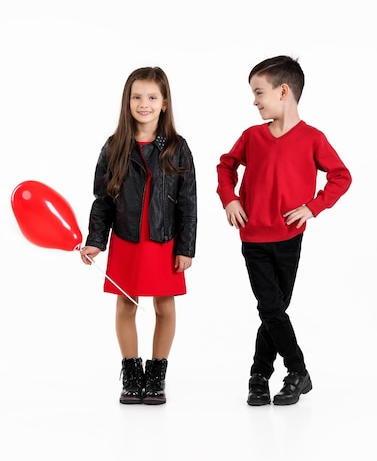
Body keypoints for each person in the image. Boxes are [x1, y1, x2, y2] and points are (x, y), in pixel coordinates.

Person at [216, 55, 351, 406]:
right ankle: (297, 370)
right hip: (254, 239)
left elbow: (341, 176)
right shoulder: (251, 137)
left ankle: (259, 376)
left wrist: (313, 206)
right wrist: (230, 199)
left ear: (284, 91)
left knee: (271, 311)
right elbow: (225, 166)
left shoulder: (312, 139)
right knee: (272, 309)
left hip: (290, 238)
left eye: (259, 92)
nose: (255, 101)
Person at [80, 67, 197, 405]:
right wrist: (95, 241)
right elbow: (102, 201)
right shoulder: (115, 146)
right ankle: (132, 372)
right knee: (126, 304)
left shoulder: (177, 147)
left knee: (164, 306)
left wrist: (186, 247)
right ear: (127, 101)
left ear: (164, 103)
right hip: (127, 239)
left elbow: (188, 202)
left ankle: (156, 373)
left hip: (164, 241)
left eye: (151, 97)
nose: (143, 103)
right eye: (136, 97)